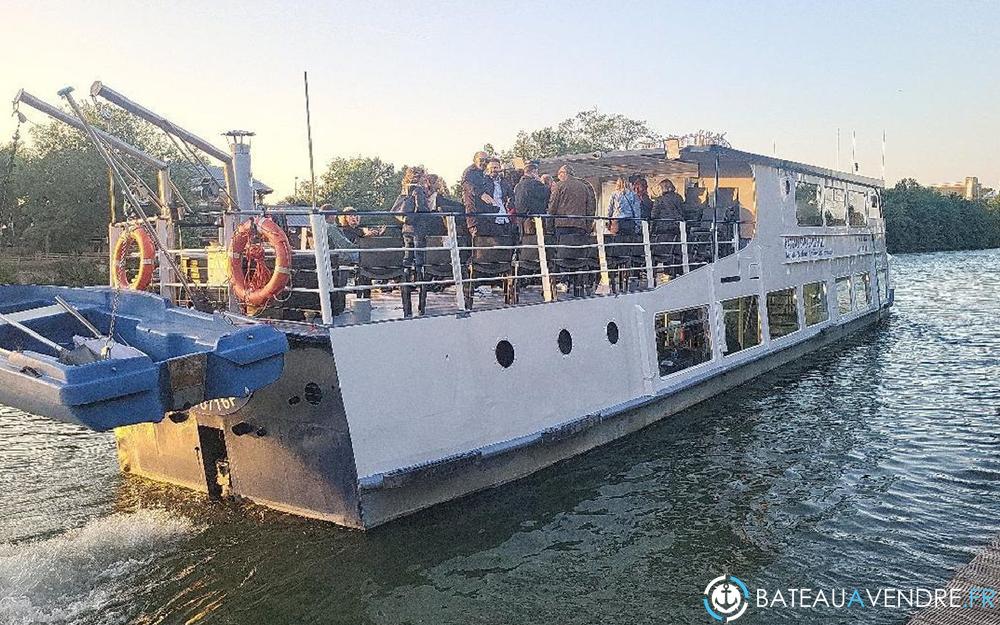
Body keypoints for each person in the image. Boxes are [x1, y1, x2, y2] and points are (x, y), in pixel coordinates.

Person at [391, 166, 431, 269]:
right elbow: (421, 207)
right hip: (418, 227)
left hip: (406, 226)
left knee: (408, 254)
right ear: (419, 177)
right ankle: (420, 279)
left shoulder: (405, 190)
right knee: (419, 255)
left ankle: (407, 278)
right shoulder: (418, 190)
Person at [547, 164, 596, 234]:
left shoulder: (559, 186)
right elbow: (590, 208)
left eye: (559, 173)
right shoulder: (584, 187)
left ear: (564, 173)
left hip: (562, 225)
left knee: (563, 245)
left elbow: (552, 206)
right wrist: (588, 226)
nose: (558, 176)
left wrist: (549, 227)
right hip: (580, 225)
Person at [461, 151, 496, 236]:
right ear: (474, 160)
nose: (484, 162)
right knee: (479, 243)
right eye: (481, 160)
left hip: (485, 216)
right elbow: (468, 186)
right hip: (475, 217)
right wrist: (481, 194)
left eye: (486, 161)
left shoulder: (484, 175)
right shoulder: (469, 172)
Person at [514, 161, 549, 235]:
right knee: (538, 242)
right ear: (534, 172)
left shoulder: (517, 186)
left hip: (521, 219)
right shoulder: (535, 184)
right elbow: (546, 195)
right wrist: (542, 182)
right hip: (534, 219)